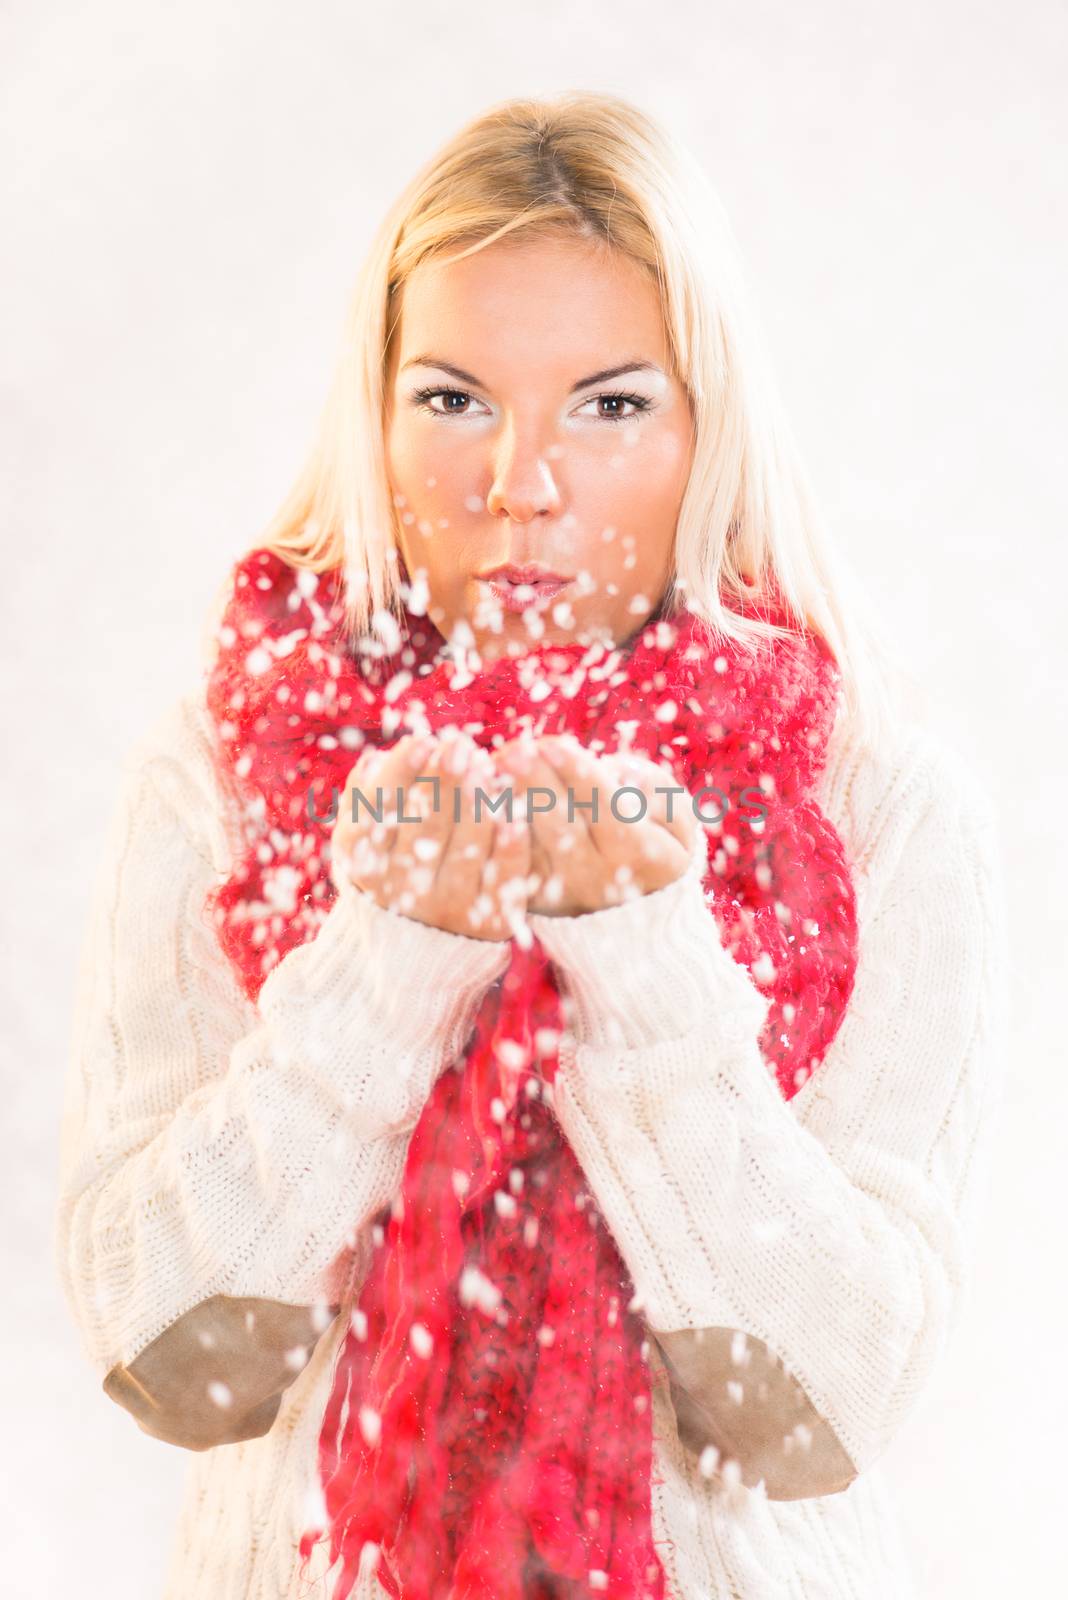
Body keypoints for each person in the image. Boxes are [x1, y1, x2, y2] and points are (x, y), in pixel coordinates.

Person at [55, 90, 1006, 1599]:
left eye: (611, 404)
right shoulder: (229, 773)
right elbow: (179, 1368)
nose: (520, 481)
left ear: (709, 432)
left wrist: (643, 961)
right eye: (452, 399)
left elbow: (822, 1412)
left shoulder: (872, 806)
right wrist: (395, 956)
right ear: (374, 415)